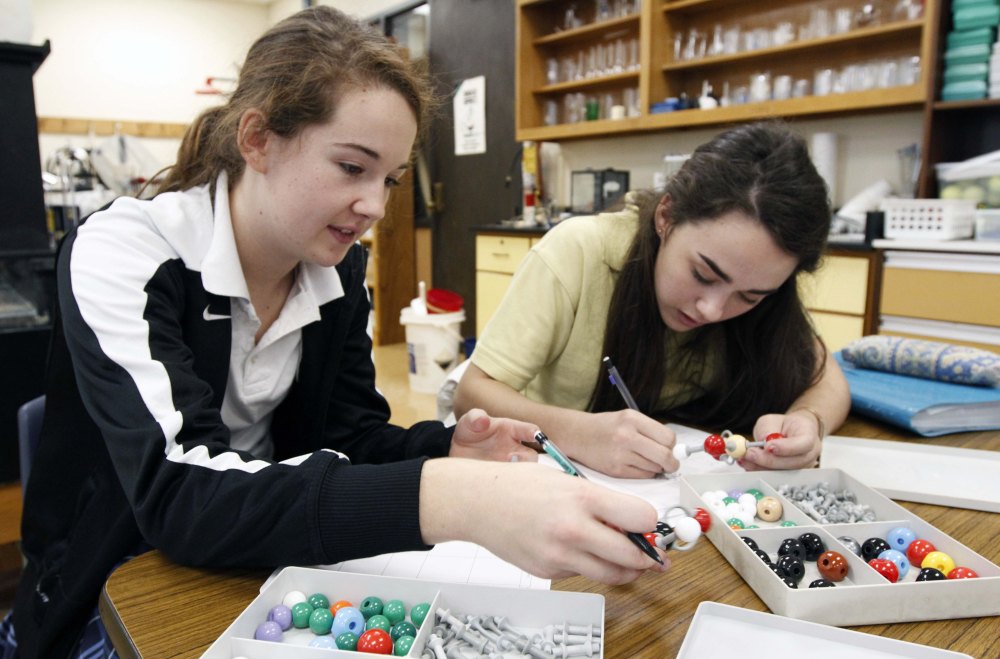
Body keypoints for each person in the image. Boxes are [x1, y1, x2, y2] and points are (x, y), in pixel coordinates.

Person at [2, 8, 666, 658]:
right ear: (258, 139)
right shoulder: (127, 251)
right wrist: (453, 500)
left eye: (390, 179)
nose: (375, 206)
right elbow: (177, 494)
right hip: (114, 589)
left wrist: (450, 451)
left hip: (258, 561)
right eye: (353, 168)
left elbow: (349, 437)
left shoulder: (337, 269)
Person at [454, 122, 851, 479]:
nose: (712, 310)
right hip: (546, 477)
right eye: (703, 274)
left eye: (749, 296)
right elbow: (472, 394)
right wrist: (578, 433)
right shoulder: (580, 252)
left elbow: (827, 379)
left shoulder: (766, 290)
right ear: (666, 216)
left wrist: (807, 422)